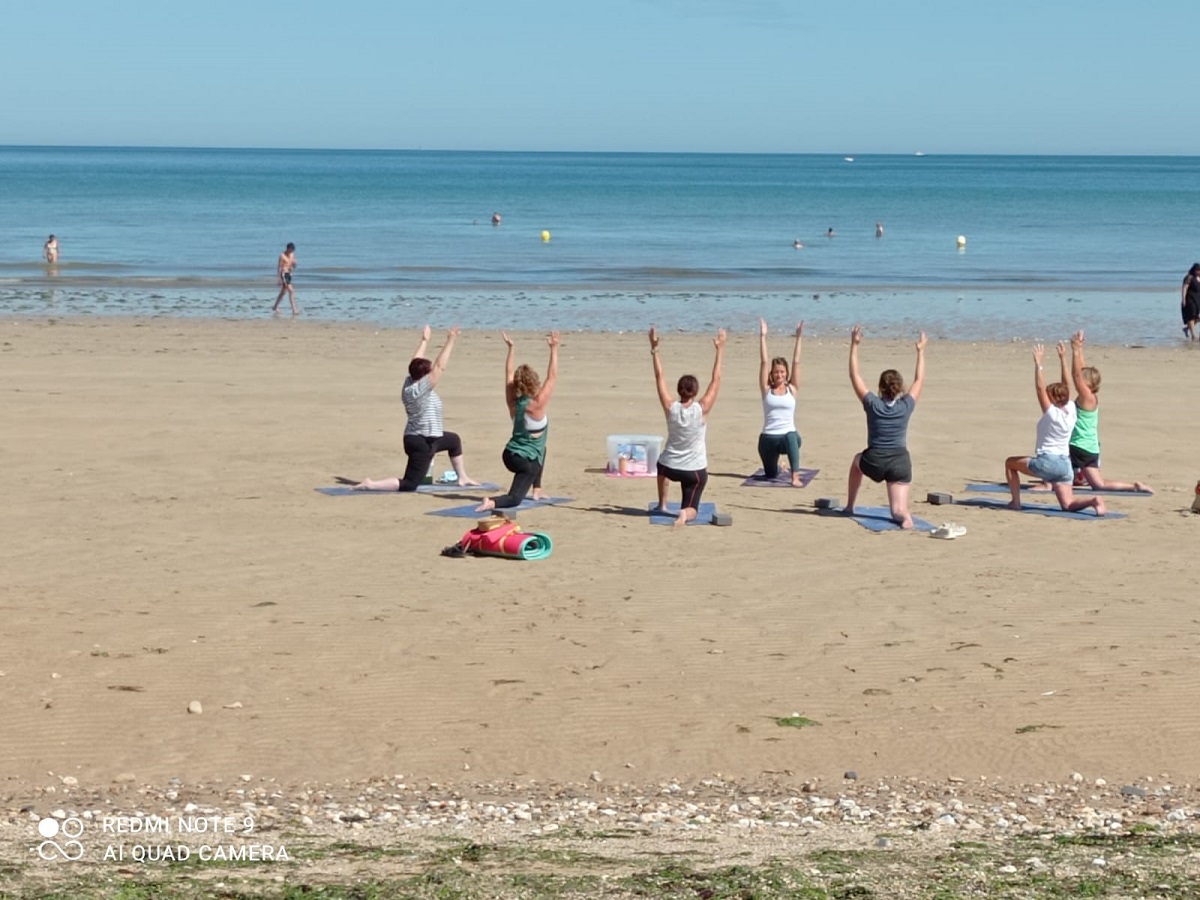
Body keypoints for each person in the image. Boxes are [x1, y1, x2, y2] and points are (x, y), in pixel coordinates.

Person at [353, 326, 480, 492]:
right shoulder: (419, 390)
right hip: (420, 442)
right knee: (409, 484)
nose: (431, 376)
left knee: (454, 440)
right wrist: (450, 340)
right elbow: (439, 367)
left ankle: (462, 477)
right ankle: (371, 484)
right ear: (423, 377)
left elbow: (415, 362)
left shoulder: (410, 382)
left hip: (430, 438)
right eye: (427, 374)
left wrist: (425, 340)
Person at [1035, 331, 1151, 494]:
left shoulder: (1088, 398)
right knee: (1099, 484)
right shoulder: (1090, 398)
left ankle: (1049, 482)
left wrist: (1074, 351)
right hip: (1091, 448)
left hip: (1077, 446)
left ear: (1088, 384)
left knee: (1055, 448)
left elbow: (1076, 376)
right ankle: (1134, 486)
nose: (1080, 381)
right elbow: (1080, 372)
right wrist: (1079, 348)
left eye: (1083, 380)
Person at [1003, 343, 1105, 516]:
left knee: (1010, 463)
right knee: (1067, 504)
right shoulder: (1072, 410)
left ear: (1052, 399)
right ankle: (1093, 501)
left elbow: (1039, 389)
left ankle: (1016, 502)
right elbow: (1067, 385)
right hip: (1065, 467)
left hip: (1048, 463)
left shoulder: (1051, 413)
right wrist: (1062, 359)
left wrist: (1038, 364)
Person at [844, 325, 926, 529]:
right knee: (898, 510)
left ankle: (850, 506)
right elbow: (919, 379)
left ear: (880, 387)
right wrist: (920, 351)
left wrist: (854, 345)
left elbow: (855, 376)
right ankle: (905, 519)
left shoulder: (873, 404)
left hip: (875, 460)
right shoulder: (906, 405)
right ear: (900, 388)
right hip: (900, 462)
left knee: (856, 462)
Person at [475, 332, 559, 512]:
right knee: (515, 499)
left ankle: (537, 489)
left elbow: (509, 373)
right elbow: (551, 377)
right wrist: (554, 349)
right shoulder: (537, 404)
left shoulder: (512, 402)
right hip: (522, 461)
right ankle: (491, 502)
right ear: (535, 383)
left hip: (509, 454)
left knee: (541, 449)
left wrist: (511, 348)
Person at [650, 326, 725, 527]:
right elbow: (716, 380)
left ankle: (662, 504)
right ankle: (684, 514)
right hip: (694, 471)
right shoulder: (702, 409)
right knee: (692, 508)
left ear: (679, 391)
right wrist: (720, 349)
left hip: (670, 467)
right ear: (695, 392)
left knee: (661, 467)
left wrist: (654, 349)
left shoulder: (670, 407)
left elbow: (659, 377)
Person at [755, 318, 805, 485]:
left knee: (793, 436)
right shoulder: (766, 390)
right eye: (776, 372)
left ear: (786, 373)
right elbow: (764, 362)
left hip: (787, 438)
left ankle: (795, 476)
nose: (779, 375)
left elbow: (796, 361)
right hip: (767, 439)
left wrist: (798, 338)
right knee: (771, 474)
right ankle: (779, 466)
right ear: (772, 374)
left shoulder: (792, 389)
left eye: (782, 372)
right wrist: (762, 336)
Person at [273, 243, 297, 315]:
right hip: (283, 274)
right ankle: (294, 309)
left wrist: (294, 264)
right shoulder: (282, 256)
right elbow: (279, 267)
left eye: (292, 250)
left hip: (289, 274)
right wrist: (279, 278)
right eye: (291, 250)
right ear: (288, 249)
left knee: (283, 292)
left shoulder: (292, 255)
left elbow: (293, 265)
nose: (291, 252)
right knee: (291, 291)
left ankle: (275, 306)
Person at [1182, 263, 1200, 341]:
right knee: (1191, 316)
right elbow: (1184, 288)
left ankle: (1186, 329)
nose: (1199, 272)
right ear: (1194, 270)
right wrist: (1183, 299)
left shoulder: (1198, 278)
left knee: (1197, 317)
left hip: (1197, 299)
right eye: (1198, 270)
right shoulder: (1189, 277)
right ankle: (1193, 335)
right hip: (1190, 299)